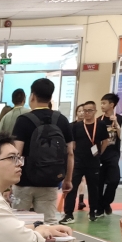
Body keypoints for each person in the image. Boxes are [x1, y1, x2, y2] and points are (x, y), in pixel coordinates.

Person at [11, 77, 73, 223]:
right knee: (49, 222)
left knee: (20, 222)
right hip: (51, 180)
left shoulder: (24, 120)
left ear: (32, 96)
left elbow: (17, 152)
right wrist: (68, 180)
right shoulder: (62, 120)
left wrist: (11, 179)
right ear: (51, 97)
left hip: (24, 181)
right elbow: (70, 153)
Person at [63, 101, 108, 223]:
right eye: (85, 110)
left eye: (89, 110)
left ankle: (92, 211)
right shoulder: (76, 126)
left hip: (93, 162)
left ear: (95, 111)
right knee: (72, 187)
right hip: (78, 162)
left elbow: (105, 141)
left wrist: (99, 154)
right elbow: (73, 144)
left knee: (94, 188)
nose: (86, 113)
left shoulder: (100, 125)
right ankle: (68, 214)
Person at [97, 93, 122, 215]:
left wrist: (116, 124)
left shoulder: (120, 119)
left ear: (112, 105)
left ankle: (106, 202)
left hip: (113, 154)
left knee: (114, 180)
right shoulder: (99, 120)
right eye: (101, 103)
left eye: (104, 103)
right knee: (99, 182)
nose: (102, 106)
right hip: (100, 154)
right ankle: (99, 208)